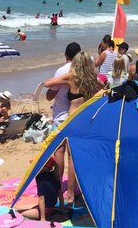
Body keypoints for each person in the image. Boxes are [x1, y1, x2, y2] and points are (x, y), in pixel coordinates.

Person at [43, 50, 100, 205]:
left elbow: (48, 83)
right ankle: (72, 192)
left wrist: (60, 79)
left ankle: (65, 192)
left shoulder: (72, 77)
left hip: (73, 120)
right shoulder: (92, 79)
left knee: (66, 154)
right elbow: (103, 89)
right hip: (86, 120)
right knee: (75, 157)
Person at [45, 42, 80, 194]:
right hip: (78, 116)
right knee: (73, 155)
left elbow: (50, 95)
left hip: (60, 114)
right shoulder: (83, 71)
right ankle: (73, 188)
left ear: (66, 55)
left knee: (59, 151)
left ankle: (58, 186)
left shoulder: (61, 71)